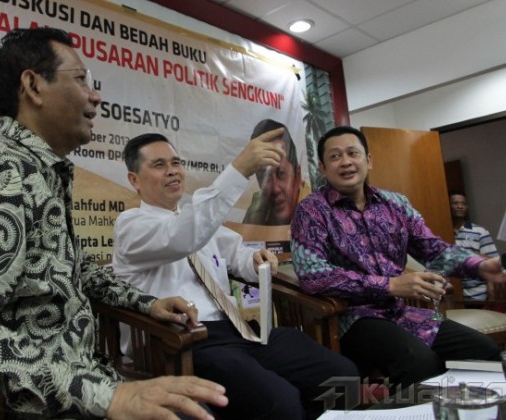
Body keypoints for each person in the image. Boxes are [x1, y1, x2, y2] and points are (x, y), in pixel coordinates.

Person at [0, 27, 229, 419]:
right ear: (33, 86)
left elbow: (73, 269)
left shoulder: (37, 173)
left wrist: (147, 304)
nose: (95, 96)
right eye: (81, 79)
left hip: (68, 381)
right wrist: (106, 396)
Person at [112, 132, 359, 419]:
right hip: (182, 341)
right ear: (134, 180)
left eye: (176, 162)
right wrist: (239, 169)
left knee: (342, 375)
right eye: (159, 165)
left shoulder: (197, 221)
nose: (172, 171)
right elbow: (184, 237)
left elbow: (235, 253)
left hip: (237, 331)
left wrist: (253, 261)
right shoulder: (131, 225)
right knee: (281, 401)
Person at [290, 125, 506, 392]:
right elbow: (313, 275)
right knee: (420, 363)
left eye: (352, 153)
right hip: (351, 319)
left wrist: (480, 266)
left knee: (483, 350)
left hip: (402, 312)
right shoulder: (311, 210)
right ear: (323, 169)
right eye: (335, 156)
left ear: (368, 160)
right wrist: (391, 285)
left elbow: (434, 249)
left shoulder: (396, 203)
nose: (346, 162)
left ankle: (470, 409)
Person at [242, 119, 304, 225]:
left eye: (281, 174)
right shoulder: (255, 213)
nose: (275, 189)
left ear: (298, 176)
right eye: (265, 177)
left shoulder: (317, 212)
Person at [449, 191, 499, 300]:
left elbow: (493, 262)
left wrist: (491, 288)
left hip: (478, 293)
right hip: (453, 293)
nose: (460, 206)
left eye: (463, 203)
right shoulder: (443, 232)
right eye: (455, 203)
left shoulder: (479, 231)